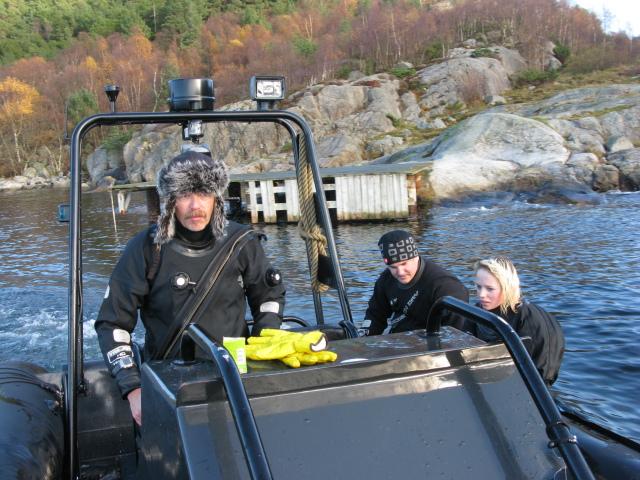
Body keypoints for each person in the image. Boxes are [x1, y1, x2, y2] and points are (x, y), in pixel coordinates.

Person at [95, 150, 285, 426]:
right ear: (170, 201)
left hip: (235, 375)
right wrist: (133, 388)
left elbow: (269, 297)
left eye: (204, 194)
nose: (196, 205)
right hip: (168, 379)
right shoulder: (146, 249)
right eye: (185, 195)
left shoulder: (242, 242)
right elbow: (112, 323)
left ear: (217, 198)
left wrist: (264, 345)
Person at [470, 256, 564, 385]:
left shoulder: (530, 320)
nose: (481, 294)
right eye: (478, 287)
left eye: (490, 289)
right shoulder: (475, 312)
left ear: (507, 287)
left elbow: (543, 370)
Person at [362, 230, 469, 336]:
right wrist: (364, 340)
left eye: (404, 264)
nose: (400, 272)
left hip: (431, 343)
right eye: (393, 267)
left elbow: (456, 334)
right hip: (399, 340)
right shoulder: (386, 279)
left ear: (416, 257)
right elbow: (375, 314)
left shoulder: (445, 286)